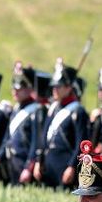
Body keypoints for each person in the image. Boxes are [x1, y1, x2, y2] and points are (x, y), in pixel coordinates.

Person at [35, 58, 88, 189]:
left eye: (58, 86)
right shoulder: (53, 108)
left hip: (65, 167)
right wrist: (38, 161)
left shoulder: (78, 111)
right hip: (48, 166)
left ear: (69, 87)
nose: (54, 89)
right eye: (53, 86)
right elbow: (44, 137)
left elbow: (81, 144)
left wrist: (72, 166)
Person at [0, 61, 40, 186]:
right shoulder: (16, 109)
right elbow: (7, 137)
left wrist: (28, 168)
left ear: (29, 88)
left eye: (19, 87)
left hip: (23, 163)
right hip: (11, 162)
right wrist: (0, 155)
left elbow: (35, 143)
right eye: (14, 87)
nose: (15, 90)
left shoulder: (35, 110)